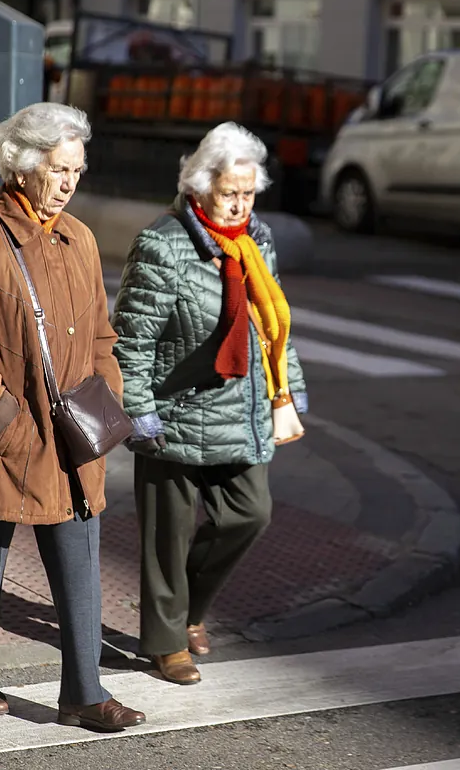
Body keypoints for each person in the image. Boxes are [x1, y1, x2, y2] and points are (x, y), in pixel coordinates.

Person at [0, 102, 145, 731]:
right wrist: (5, 423)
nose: (71, 181)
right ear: (23, 167)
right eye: (59, 168)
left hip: (73, 431)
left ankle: (84, 692)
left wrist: (108, 396)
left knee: (79, 564)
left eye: (78, 168)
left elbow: (102, 335)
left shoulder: (79, 238)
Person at [112, 122, 308, 685]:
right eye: (230, 193)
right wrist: (139, 409)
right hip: (172, 412)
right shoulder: (163, 244)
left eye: (248, 193)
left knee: (250, 513)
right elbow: (132, 338)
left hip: (239, 408)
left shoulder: (257, 241)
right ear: (200, 185)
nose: (239, 204)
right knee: (165, 536)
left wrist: (286, 392)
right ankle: (167, 641)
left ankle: (191, 610)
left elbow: (275, 329)